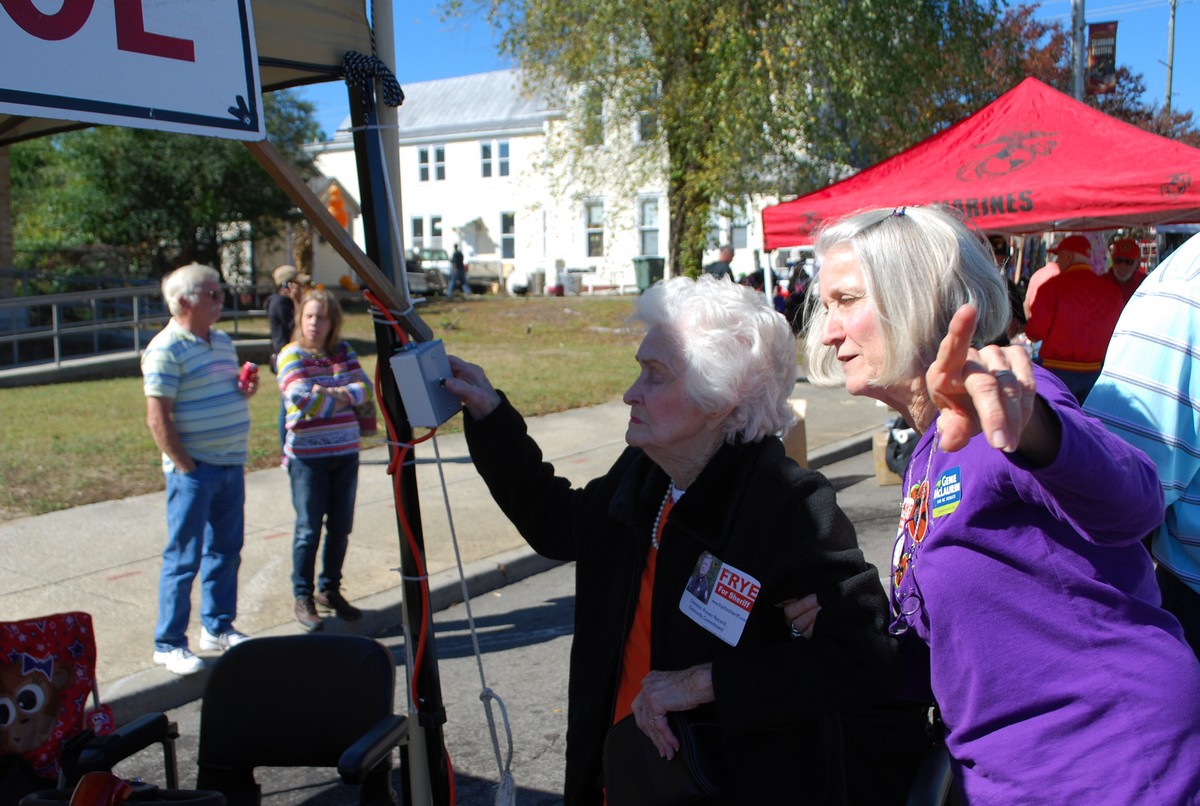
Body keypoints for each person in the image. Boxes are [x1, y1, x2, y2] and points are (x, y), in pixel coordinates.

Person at [790, 205, 1200, 803]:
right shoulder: (931, 448)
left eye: (846, 301)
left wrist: (1036, 430)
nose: (828, 331)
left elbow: (1134, 505)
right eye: (826, 307)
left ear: (918, 298)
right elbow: (954, 653)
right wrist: (843, 624)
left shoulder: (1001, 406)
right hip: (1009, 776)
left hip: (1110, 767)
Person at [445, 275, 900, 805]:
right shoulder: (645, 472)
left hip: (720, 785)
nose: (629, 393)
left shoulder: (788, 508)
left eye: (654, 376)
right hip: (617, 774)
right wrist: (490, 417)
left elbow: (866, 658)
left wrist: (703, 683)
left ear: (722, 400)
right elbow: (559, 523)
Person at [1086, 231, 1200, 660]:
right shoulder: (1183, 292)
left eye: (1127, 261)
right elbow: (1114, 501)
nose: (1123, 267)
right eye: (1120, 260)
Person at [142, 263, 258, 675]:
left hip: (229, 464)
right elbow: (158, 418)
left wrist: (243, 390)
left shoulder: (222, 340)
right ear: (185, 301)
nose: (220, 299)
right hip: (194, 472)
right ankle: (169, 642)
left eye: (219, 292)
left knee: (226, 551)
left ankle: (218, 627)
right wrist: (186, 466)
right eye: (212, 293)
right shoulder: (165, 349)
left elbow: (225, 391)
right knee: (183, 558)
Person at [276, 288, 373, 632]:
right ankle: (303, 595)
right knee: (308, 530)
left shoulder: (342, 352)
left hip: (345, 452)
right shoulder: (291, 354)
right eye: (310, 316)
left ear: (334, 323)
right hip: (307, 457)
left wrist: (329, 394)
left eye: (323, 317)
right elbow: (301, 397)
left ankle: (329, 590)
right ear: (300, 319)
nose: (315, 323)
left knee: (341, 527)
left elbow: (365, 388)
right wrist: (342, 396)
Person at [1024, 233, 1124, 403]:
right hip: (1098, 374)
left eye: (1059, 256)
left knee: (1056, 425)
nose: (1057, 261)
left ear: (1068, 256)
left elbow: (1035, 332)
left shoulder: (1052, 287)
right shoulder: (1112, 291)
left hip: (1056, 372)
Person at [265, 264, 299, 446]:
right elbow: (294, 326)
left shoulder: (282, 302)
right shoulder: (279, 302)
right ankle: (285, 446)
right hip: (285, 356)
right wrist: (296, 301)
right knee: (286, 404)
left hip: (291, 355)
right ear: (286, 284)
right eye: (295, 283)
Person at [1106, 236, 1146, 303]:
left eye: (1129, 261)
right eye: (1118, 260)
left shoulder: (1146, 283)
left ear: (1137, 263)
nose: (1122, 266)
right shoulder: (1101, 284)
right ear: (1112, 260)